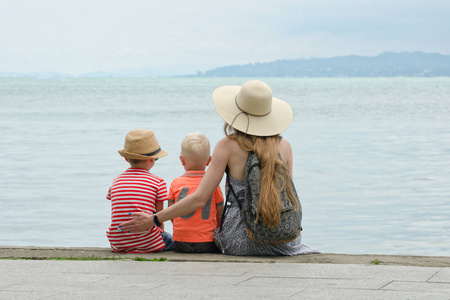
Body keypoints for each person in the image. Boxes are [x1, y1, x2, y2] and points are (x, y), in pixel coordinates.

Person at [119, 80, 318, 256]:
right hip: (286, 242)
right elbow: (286, 197)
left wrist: (154, 219)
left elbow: (200, 198)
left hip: (241, 242)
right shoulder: (286, 147)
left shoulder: (227, 146)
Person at [106, 129, 174, 253]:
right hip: (149, 243)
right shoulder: (158, 182)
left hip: (119, 243)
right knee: (173, 240)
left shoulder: (116, 181)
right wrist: (161, 234)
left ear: (126, 159)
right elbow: (159, 217)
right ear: (152, 159)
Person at [168, 132, 224, 253]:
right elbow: (220, 214)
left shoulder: (175, 183)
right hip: (207, 243)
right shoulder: (213, 184)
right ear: (209, 161)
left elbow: (171, 214)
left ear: (182, 160)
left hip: (180, 243)